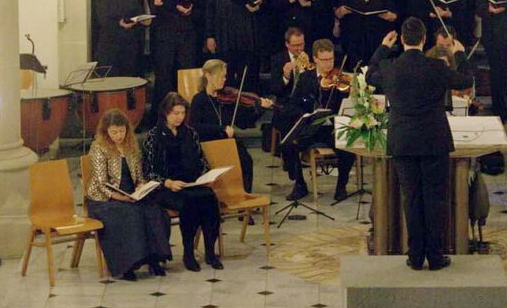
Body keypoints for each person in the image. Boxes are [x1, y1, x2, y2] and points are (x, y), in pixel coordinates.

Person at [368, 18, 473, 270]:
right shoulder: (436, 66)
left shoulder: (390, 66)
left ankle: (415, 255)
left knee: (411, 198)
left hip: (403, 141)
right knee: (434, 198)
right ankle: (435, 256)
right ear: (424, 39)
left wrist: (383, 47)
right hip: (433, 139)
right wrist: (461, 54)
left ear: (402, 40)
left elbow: (370, 75)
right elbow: (465, 81)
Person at [84, 110, 172, 280]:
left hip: (130, 193)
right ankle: (128, 265)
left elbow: (138, 175)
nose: (119, 135)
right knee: (128, 214)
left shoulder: (131, 145)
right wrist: (121, 197)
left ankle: (154, 259)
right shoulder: (98, 147)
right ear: (106, 132)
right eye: (114, 132)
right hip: (104, 199)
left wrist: (140, 186)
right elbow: (102, 184)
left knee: (155, 211)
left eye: (122, 131)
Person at [142, 93, 223, 272]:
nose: (180, 117)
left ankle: (210, 251)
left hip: (190, 182)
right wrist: (168, 182)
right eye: (175, 113)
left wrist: (206, 176)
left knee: (209, 199)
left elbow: (201, 160)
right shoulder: (153, 136)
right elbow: (148, 172)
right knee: (189, 203)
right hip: (166, 187)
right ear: (165, 113)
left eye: (182, 113)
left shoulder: (190, 132)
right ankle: (188, 252)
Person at [276, 39, 356, 201]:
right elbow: (293, 104)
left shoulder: (341, 78)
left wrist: (353, 90)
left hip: (332, 128)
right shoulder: (306, 78)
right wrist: (307, 114)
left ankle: (341, 186)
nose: (329, 64)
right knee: (288, 143)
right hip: (311, 128)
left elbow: (349, 105)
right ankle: (299, 184)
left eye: (331, 59)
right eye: (324, 60)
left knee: (348, 143)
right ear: (315, 59)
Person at [189, 59, 273, 194]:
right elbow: (194, 126)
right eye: (220, 76)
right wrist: (221, 129)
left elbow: (244, 123)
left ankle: (243, 198)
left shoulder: (227, 98)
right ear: (208, 75)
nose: (224, 80)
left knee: (246, 162)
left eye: (225, 76)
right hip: (208, 143)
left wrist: (260, 108)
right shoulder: (199, 100)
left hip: (228, 142)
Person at [205, 0, 268, 93]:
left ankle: (249, 106)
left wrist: (257, 7)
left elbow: (265, 5)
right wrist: (210, 36)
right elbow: (210, 10)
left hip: (248, 34)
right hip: (225, 35)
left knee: (249, 75)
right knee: (227, 74)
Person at [148, 0, 199, 116]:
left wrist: (190, 10)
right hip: (165, 37)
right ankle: (162, 116)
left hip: (185, 36)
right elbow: (153, 15)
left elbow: (197, 7)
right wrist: (156, 5)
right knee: (164, 76)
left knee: (186, 72)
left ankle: (188, 115)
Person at [335, 0, 398, 68]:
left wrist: (389, 16)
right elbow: (338, 14)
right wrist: (341, 11)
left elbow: (394, 15)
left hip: (376, 37)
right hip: (354, 37)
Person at [93, 0, 150, 77]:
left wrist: (142, 20)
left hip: (129, 43)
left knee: (129, 79)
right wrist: (120, 24)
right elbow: (103, 19)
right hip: (110, 45)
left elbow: (138, 12)